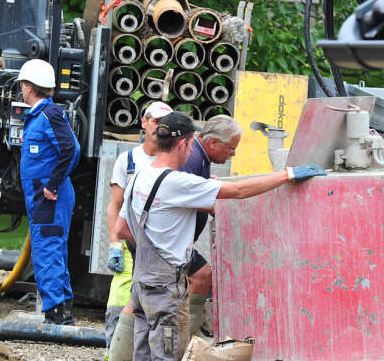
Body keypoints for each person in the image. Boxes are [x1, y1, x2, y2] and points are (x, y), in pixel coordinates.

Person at [115, 112, 325, 360]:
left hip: (143, 282)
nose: (192, 149)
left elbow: (122, 230)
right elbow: (238, 190)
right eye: (192, 143)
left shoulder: (138, 175)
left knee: (143, 353)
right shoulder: (177, 182)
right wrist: (287, 175)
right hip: (166, 290)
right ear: (182, 144)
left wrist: (157, 245)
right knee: (167, 354)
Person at [107, 101, 173, 360]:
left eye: (164, 124)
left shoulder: (171, 161)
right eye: (156, 122)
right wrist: (114, 244)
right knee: (120, 301)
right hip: (128, 241)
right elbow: (115, 205)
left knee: (152, 309)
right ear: (144, 122)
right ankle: (113, 351)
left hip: (157, 247)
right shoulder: (129, 160)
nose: (160, 128)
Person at [17, 58, 80, 324]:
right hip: (43, 196)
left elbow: (71, 150)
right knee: (52, 249)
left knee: (48, 250)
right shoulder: (40, 115)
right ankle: (62, 311)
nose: (21, 89)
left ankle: (56, 315)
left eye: (22, 84)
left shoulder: (49, 114)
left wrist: (52, 185)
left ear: (30, 87)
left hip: (48, 197)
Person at [176, 115, 243, 339]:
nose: (233, 154)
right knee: (201, 276)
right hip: (169, 241)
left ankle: (184, 338)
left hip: (178, 240)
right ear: (213, 142)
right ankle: (183, 342)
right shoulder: (193, 158)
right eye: (231, 148)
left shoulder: (201, 158)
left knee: (201, 277)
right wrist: (214, 204)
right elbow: (181, 196)